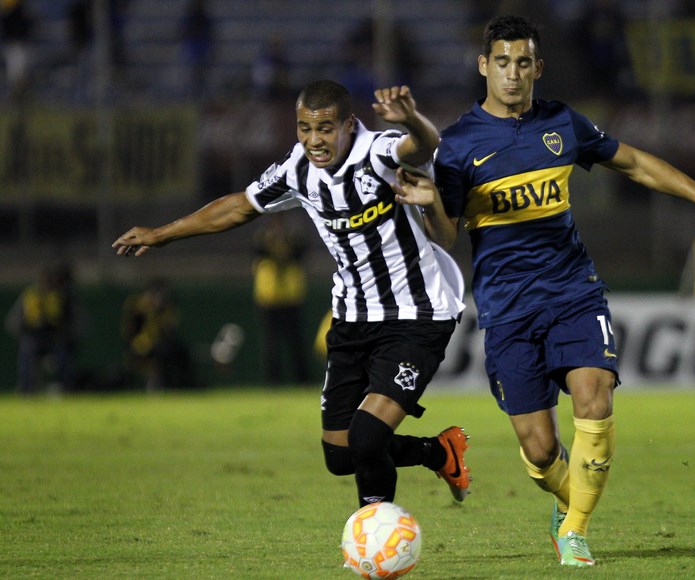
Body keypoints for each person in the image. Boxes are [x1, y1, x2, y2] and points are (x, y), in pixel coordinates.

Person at [395, 15, 695, 567]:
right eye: (502, 63)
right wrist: (431, 208)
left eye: (524, 63)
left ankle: (573, 533)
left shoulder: (562, 124)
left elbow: (636, 163)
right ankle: (569, 502)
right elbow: (448, 235)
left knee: (595, 397)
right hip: (506, 308)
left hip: (574, 291)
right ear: (484, 67)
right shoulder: (456, 146)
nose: (513, 74)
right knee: (540, 448)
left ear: (538, 67)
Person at [112, 80, 471, 510]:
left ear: (348, 125)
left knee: (368, 435)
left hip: (416, 313)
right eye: (304, 128)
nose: (314, 140)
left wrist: (411, 117)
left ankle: (378, 543)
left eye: (324, 129)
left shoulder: (377, 152)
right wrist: (161, 235)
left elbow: (422, 146)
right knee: (340, 455)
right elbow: (239, 206)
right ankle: (438, 452)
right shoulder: (297, 169)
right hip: (353, 318)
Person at [251, 214, 311, 385]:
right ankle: (273, 382)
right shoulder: (262, 237)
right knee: (271, 344)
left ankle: (302, 381)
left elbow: (300, 253)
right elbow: (258, 251)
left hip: (291, 297)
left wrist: (286, 241)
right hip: (269, 297)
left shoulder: (294, 236)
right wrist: (270, 240)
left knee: (296, 343)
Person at [4, 262, 81, 394]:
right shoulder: (30, 294)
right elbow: (13, 321)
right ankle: (26, 389)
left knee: (63, 355)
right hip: (33, 337)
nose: (47, 282)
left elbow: (73, 320)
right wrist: (23, 334)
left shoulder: (61, 296)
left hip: (54, 338)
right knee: (27, 351)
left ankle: (66, 388)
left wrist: (67, 336)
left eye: (50, 279)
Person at [121, 277, 195, 391]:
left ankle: (182, 385)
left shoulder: (167, 308)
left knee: (180, 352)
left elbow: (169, 330)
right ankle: (154, 383)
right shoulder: (137, 305)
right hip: (142, 344)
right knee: (157, 352)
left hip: (161, 344)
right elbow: (130, 331)